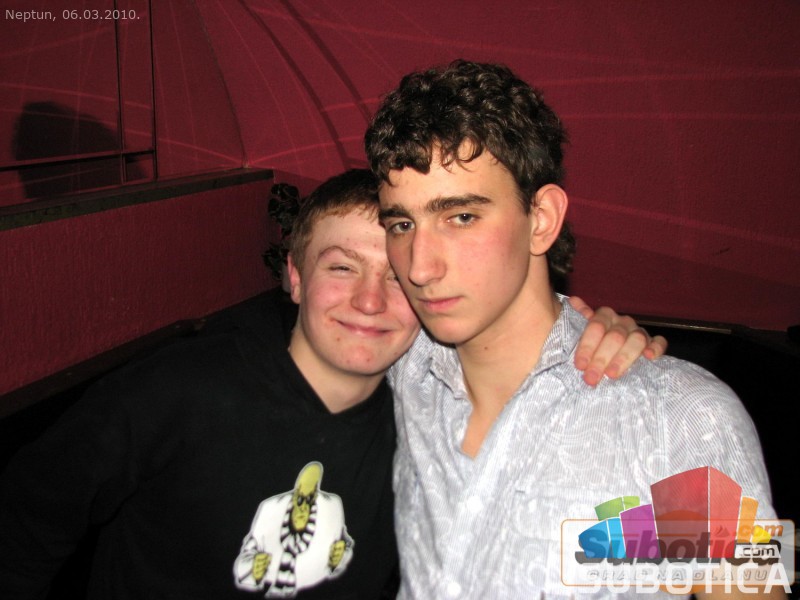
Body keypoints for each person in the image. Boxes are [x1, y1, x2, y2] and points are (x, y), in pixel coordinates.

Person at [0, 168, 661, 599]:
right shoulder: (176, 391)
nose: (370, 301)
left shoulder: (427, 411)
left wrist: (590, 333)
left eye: (397, 278)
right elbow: (23, 524)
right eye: (341, 268)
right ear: (294, 277)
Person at [365, 60, 785, 599]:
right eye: (402, 224)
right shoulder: (401, 360)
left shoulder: (682, 421)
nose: (420, 267)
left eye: (461, 216)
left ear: (541, 219)